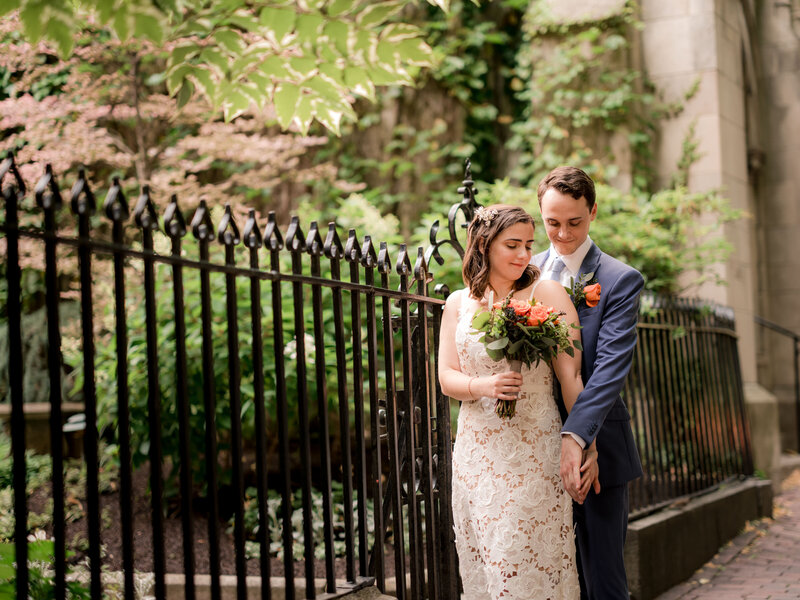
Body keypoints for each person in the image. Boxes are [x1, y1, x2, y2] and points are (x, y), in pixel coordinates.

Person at [438, 204, 599, 599]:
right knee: (485, 570)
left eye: (528, 244)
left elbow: (570, 377)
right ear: (484, 246)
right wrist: (485, 386)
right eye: (512, 245)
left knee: (520, 567)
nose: (525, 255)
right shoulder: (457, 303)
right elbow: (446, 378)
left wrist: (586, 443)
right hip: (476, 456)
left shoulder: (547, 292)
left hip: (532, 454)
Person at [533, 166, 644, 599]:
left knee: (603, 579)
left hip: (599, 450)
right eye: (552, 223)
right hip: (533, 446)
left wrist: (580, 439)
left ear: (592, 211)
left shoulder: (619, 279)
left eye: (574, 222)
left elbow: (609, 372)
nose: (562, 234)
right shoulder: (526, 272)